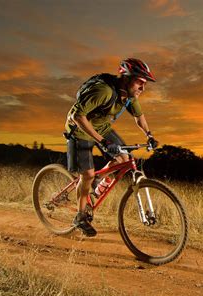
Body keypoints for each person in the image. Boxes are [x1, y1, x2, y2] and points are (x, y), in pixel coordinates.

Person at [64, 58, 159, 237]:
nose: (142, 88)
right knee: (88, 175)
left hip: (102, 127)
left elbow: (139, 117)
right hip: (80, 130)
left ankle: (98, 185)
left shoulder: (129, 97)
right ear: (126, 78)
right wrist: (103, 141)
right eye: (139, 82)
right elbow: (78, 116)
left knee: (124, 159)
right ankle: (80, 216)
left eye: (144, 84)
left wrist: (149, 135)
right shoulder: (103, 91)